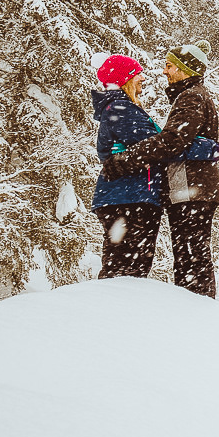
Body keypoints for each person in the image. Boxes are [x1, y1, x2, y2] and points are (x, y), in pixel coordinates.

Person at [104, 41, 219, 297]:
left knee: (191, 256)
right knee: (191, 254)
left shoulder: (191, 97)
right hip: (192, 188)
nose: (164, 71)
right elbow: (181, 141)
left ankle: (197, 306)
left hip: (190, 189)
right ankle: (197, 303)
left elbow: (171, 141)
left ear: (185, 69)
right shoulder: (193, 96)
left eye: (169, 66)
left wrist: (126, 159)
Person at [90, 53, 164, 279]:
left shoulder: (119, 108)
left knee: (122, 264)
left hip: (124, 196)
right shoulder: (121, 108)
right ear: (125, 79)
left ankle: (114, 297)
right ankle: (115, 299)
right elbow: (156, 145)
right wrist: (196, 145)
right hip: (129, 197)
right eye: (137, 74)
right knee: (128, 268)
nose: (143, 78)